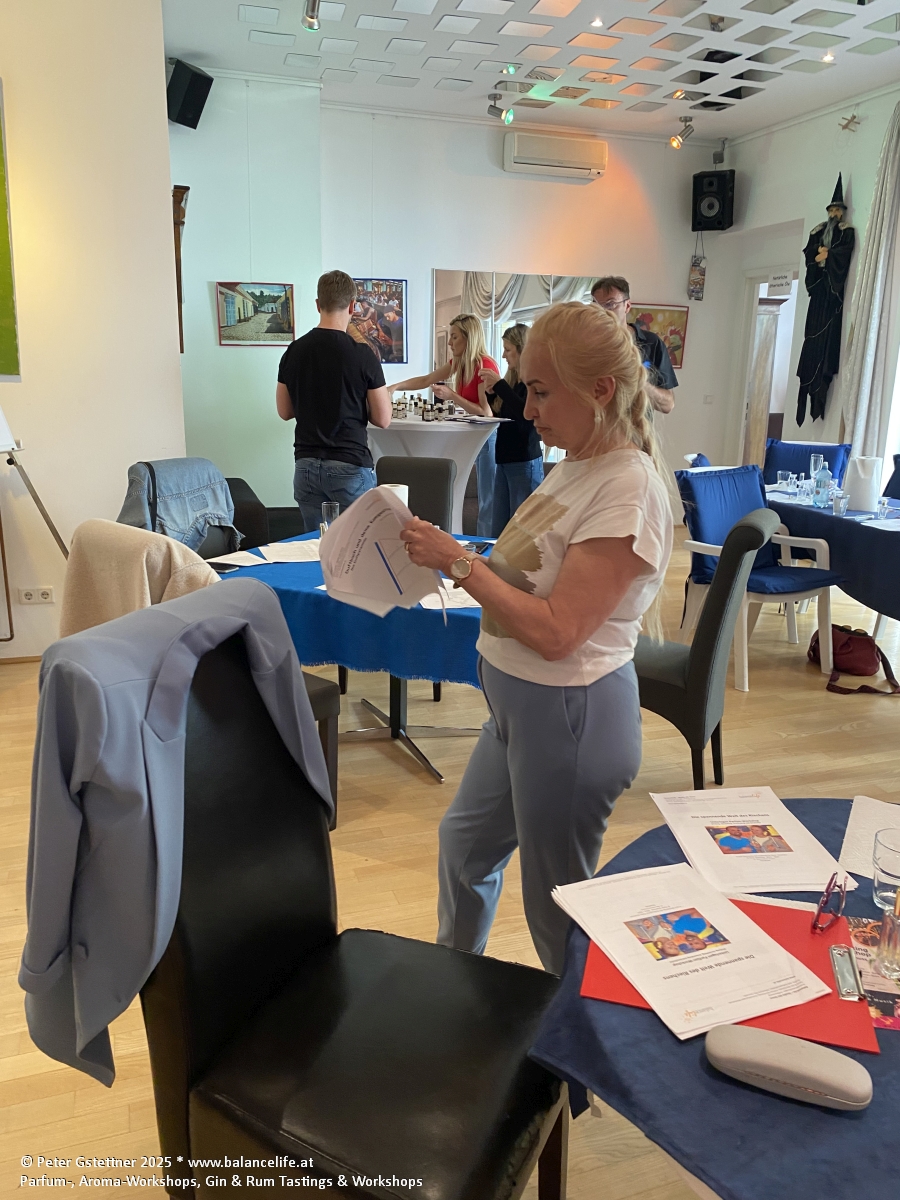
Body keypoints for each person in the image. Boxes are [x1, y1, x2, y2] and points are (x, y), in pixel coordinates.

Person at [400, 301, 673, 973]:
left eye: (542, 393)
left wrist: (458, 564)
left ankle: (575, 1035)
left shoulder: (627, 488)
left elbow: (559, 633)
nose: (527, 410)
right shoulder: (578, 463)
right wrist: (461, 554)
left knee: (558, 913)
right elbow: (528, 575)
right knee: (465, 850)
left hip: (570, 715)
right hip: (520, 710)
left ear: (600, 390)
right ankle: (456, 988)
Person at [276, 270, 391, 532]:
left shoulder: (294, 351)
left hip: (306, 465)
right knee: (358, 545)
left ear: (318, 304)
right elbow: (383, 419)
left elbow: (284, 411)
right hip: (349, 464)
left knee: (314, 546)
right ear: (352, 306)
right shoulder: (363, 355)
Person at [390, 314, 500, 536]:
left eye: (454, 337)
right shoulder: (459, 363)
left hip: (486, 437)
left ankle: (486, 543)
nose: (449, 342)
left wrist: (451, 396)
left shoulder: (484, 365)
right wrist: (394, 387)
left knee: (487, 498)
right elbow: (426, 380)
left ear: (469, 338)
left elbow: (485, 412)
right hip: (470, 434)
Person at [478, 323, 544, 538]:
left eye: (508, 350)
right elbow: (504, 414)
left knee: (522, 533)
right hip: (505, 461)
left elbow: (526, 417)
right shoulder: (512, 383)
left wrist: (499, 386)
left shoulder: (531, 383)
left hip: (524, 461)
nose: (504, 356)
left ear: (521, 350)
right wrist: (491, 393)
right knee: (499, 531)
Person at [591, 276, 677, 415]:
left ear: (627, 306)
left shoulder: (652, 343)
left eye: (611, 304)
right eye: (597, 307)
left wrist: (637, 380)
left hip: (637, 428)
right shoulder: (587, 343)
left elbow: (668, 405)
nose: (604, 312)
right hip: (596, 426)